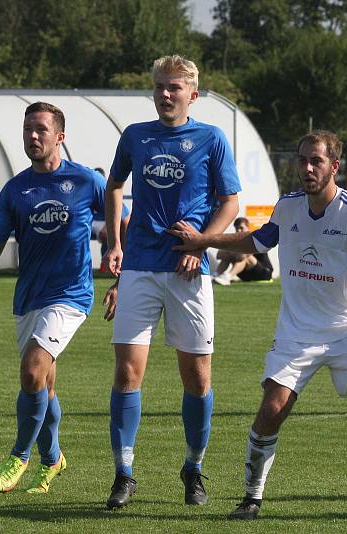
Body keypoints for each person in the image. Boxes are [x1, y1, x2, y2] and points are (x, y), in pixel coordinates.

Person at [169, 130, 347, 522]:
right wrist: (204, 240)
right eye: (302, 160)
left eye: (316, 161)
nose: (307, 168)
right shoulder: (288, 207)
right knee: (271, 408)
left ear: (334, 167)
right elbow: (256, 242)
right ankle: (252, 498)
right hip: (297, 332)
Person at [102, 55, 241, 510]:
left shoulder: (211, 138)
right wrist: (115, 242)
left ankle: (193, 467)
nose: (166, 94)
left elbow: (231, 202)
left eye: (175, 88)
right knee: (127, 373)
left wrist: (201, 244)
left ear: (192, 95)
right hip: (140, 266)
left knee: (198, 380)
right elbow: (114, 185)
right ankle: (124, 473)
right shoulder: (135, 136)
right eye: (160, 86)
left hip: (189, 271)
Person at [0, 102, 117, 494]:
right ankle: (53, 460)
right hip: (29, 297)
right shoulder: (16, 189)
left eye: (41, 130)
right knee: (45, 387)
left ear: (59, 137)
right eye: (27, 130)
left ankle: (19, 455)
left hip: (70, 295)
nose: (32, 137)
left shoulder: (86, 181)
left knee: (33, 370)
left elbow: (119, 224)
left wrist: (120, 265)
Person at [212, 216, 273, 285]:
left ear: (248, 227)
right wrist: (231, 253)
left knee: (246, 258)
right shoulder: (236, 240)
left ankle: (227, 277)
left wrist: (230, 252)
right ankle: (215, 275)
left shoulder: (253, 239)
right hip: (247, 274)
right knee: (227, 258)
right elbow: (219, 255)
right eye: (237, 228)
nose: (238, 230)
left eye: (241, 228)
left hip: (264, 274)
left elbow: (242, 256)